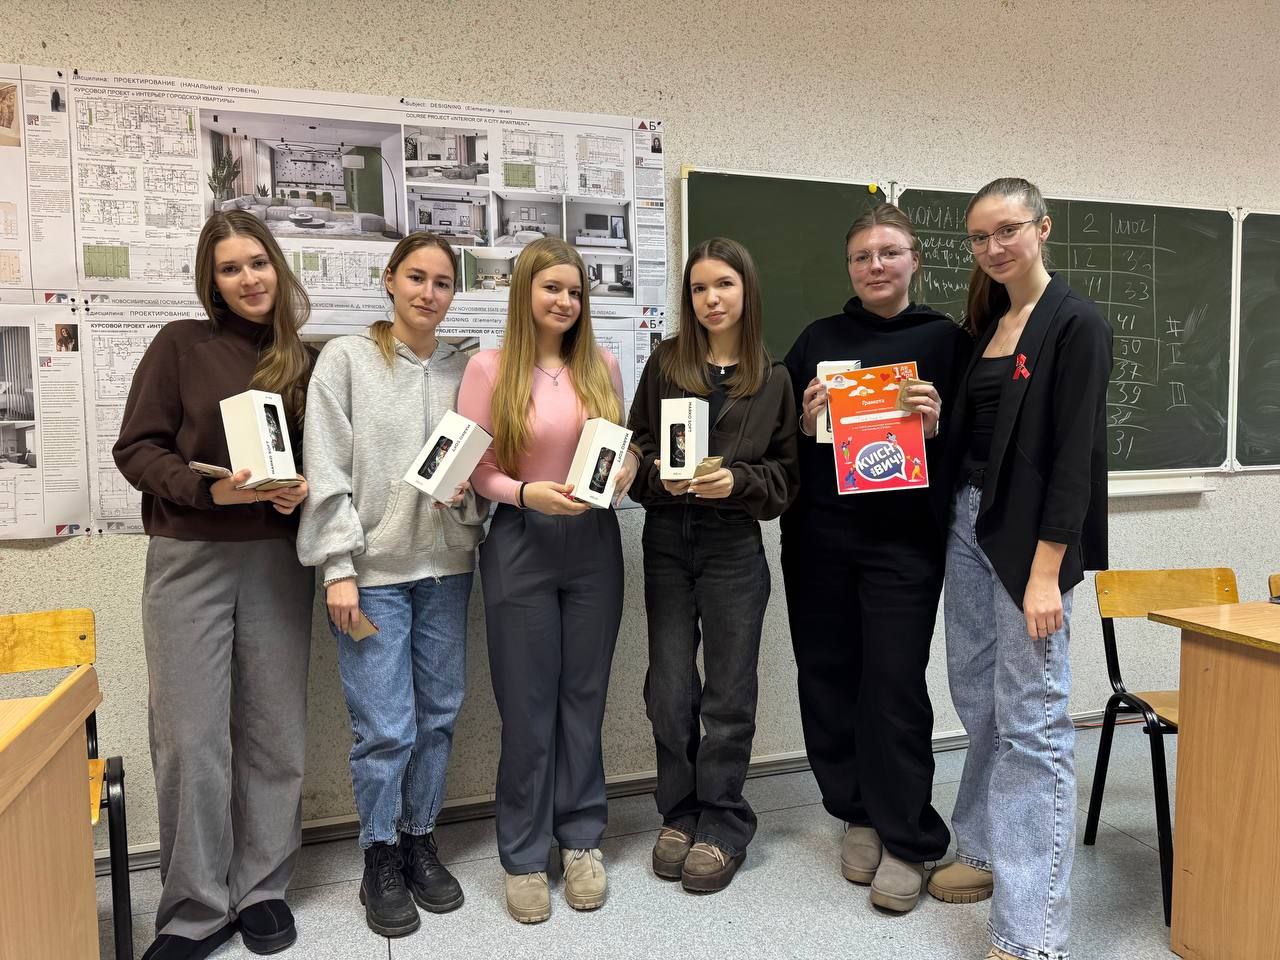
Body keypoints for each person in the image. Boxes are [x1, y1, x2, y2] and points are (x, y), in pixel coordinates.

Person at [113, 210, 314, 960]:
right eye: (231, 268)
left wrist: (300, 493)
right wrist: (207, 491)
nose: (248, 279)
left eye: (258, 263)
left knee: (273, 732)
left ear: (277, 268)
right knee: (190, 737)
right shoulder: (180, 345)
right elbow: (137, 449)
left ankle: (262, 889)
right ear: (212, 281)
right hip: (190, 555)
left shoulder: (303, 360)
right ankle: (194, 908)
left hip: (275, 560)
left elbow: (324, 458)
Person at [927, 178, 1111, 960]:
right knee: (980, 700)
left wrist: (1046, 573)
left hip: (1030, 543)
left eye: (1007, 230)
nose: (994, 247)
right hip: (969, 526)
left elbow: (1075, 459)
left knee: (1033, 724)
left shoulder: (1075, 323)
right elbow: (983, 436)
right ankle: (982, 848)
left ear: (1043, 227)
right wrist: (936, 417)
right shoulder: (992, 323)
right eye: (980, 237)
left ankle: (1031, 931)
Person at [781, 203, 972, 914]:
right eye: (862, 256)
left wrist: (939, 423)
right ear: (849, 268)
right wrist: (805, 424)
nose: (875, 266)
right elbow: (781, 448)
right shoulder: (817, 339)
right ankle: (856, 812)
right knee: (828, 677)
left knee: (893, 685)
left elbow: (979, 446)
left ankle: (910, 837)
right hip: (819, 538)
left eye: (889, 252)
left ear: (915, 260)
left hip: (904, 543)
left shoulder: (947, 341)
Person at [296, 233, 488, 938]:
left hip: (447, 573)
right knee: (384, 728)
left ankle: (419, 840)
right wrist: (338, 568)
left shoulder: (467, 369)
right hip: (370, 579)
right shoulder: (347, 360)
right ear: (389, 280)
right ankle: (378, 853)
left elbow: (480, 468)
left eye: (442, 282)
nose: (428, 293)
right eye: (416, 277)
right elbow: (325, 467)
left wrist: (467, 500)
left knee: (438, 714)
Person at [456, 236, 637, 923]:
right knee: (528, 707)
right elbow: (476, 468)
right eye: (552, 288)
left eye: (575, 291)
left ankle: (582, 840)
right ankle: (525, 854)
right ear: (525, 291)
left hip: (593, 545)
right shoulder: (488, 368)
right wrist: (526, 493)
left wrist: (627, 469)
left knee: (583, 699)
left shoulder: (603, 365)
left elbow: (619, 451)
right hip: (521, 542)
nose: (565, 301)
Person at [626, 237, 798, 892]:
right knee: (670, 690)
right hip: (668, 541)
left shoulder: (772, 376)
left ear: (746, 289)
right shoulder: (666, 363)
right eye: (699, 288)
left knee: (728, 694)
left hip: (732, 545)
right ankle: (680, 811)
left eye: (723, 284)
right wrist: (654, 478)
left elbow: (785, 480)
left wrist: (740, 482)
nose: (711, 299)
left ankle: (723, 820)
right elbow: (638, 448)